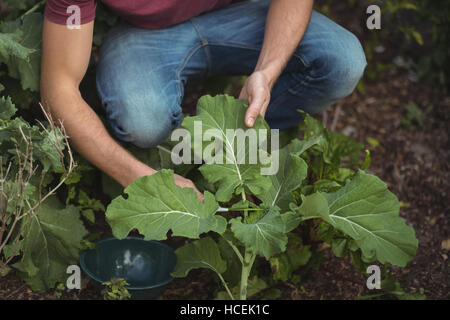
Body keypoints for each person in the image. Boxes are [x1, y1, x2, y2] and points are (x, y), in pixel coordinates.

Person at [40, 0, 366, 200]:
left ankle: (231, 146)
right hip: (144, 33)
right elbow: (58, 92)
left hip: (240, 15)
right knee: (142, 121)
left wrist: (266, 71)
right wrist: (141, 180)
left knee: (342, 61)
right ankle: (188, 156)